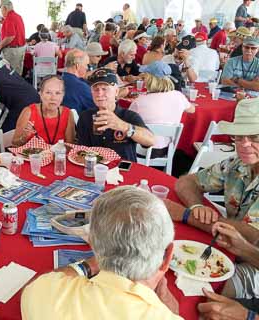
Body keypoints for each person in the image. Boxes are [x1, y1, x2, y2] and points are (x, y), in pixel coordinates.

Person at [21, 186, 181, 319]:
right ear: (167, 257)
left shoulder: (42, 292)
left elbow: (35, 286)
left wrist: (90, 264)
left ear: (92, 242)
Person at [165, 98, 259, 302]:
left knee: (199, 295)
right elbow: (186, 182)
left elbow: (251, 236)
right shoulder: (237, 164)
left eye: (255, 137)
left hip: (254, 264)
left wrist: (187, 215)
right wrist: (197, 205)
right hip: (229, 248)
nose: (244, 144)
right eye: (239, 136)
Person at [76, 68, 154, 162]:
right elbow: (82, 150)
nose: (100, 94)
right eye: (96, 89)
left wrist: (123, 126)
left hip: (123, 172)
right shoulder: (85, 117)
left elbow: (150, 140)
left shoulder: (129, 116)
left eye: (105, 89)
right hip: (95, 169)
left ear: (116, 92)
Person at [129, 61, 194, 158]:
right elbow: (192, 110)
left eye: (145, 77)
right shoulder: (178, 96)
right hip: (166, 149)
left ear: (149, 79)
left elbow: (127, 121)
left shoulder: (140, 101)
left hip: (141, 149)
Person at [13, 76, 75, 146]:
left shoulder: (68, 114)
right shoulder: (29, 112)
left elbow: (70, 145)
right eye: (48, 92)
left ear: (63, 95)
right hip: (32, 156)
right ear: (41, 94)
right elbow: (15, 143)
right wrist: (24, 137)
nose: (53, 98)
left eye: (58, 93)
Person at [0, 0, 26, 76]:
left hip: (12, 51)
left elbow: (10, 36)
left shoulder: (9, 18)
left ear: (5, 8)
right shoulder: (18, 16)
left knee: (8, 73)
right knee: (17, 73)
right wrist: (4, 23)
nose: (1, 12)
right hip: (20, 49)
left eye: (1, 9)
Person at [62, 49, 95, 114]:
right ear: (77, 66)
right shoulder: (81, 87)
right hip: (76, 122)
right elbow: (96, 106)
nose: (87, 68)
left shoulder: (60, 80)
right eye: (86, 64)